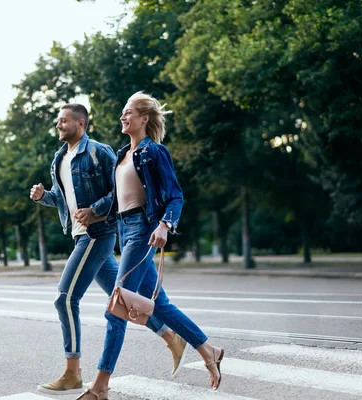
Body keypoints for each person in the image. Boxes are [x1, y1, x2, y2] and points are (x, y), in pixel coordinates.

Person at [29, 103, 189, 395]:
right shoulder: (59, 159)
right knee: (126, 301)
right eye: (57, 121)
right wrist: (43, 197)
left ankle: (72, 372)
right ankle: (171, 337)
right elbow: (64, 199)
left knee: (64, 299)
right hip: (79, 235)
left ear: (81, 123)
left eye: (63, 121)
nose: (58, 125)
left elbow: (117, 192)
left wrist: (95, 211)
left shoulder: (99, 152)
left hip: (98, 234)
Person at [75, 93, 225, 400]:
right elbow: (118, 198)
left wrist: (164, 224)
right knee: (162, 305)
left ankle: (100, 386)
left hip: (143, 232)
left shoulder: (154, 152)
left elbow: (175, 195)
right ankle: (208, 349)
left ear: (145, 119)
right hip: (125, 230)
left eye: (128, 112)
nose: (123, 117)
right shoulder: (121, 155)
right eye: (122, 112)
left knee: (117, 308)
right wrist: (93, 210)